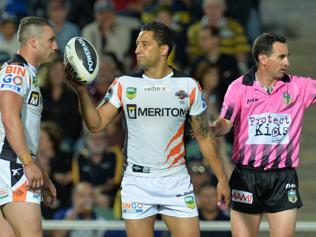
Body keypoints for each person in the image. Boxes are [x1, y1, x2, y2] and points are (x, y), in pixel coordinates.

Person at [66, 21, 230, 237]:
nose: (136, 50)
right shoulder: (124, 84)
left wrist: (221, 179)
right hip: (137, 181)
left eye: (144, 44)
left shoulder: (188, 85)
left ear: (164, 50)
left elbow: (204, 136)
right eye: (136, 44)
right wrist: (81, 91)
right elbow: (95, 124)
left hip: (175, 179)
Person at [212, 32, 316, 237]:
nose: (287, 62)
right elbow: (225, 124)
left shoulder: (298, 86)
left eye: (287, 56)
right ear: (263, 58)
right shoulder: (239, 87)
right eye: (281, 57)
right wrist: (212, 128)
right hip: (246, 177)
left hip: (283, 176)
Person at [0, 16, 57, 237]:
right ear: (34, 42)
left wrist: (41, 171)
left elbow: (25, 131)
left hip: (10, 164)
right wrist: (27, 162)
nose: (55, 45)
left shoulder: (26, 74)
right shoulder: (17, 70)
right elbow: (9, 117)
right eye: (51, 40)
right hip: (11, 165)